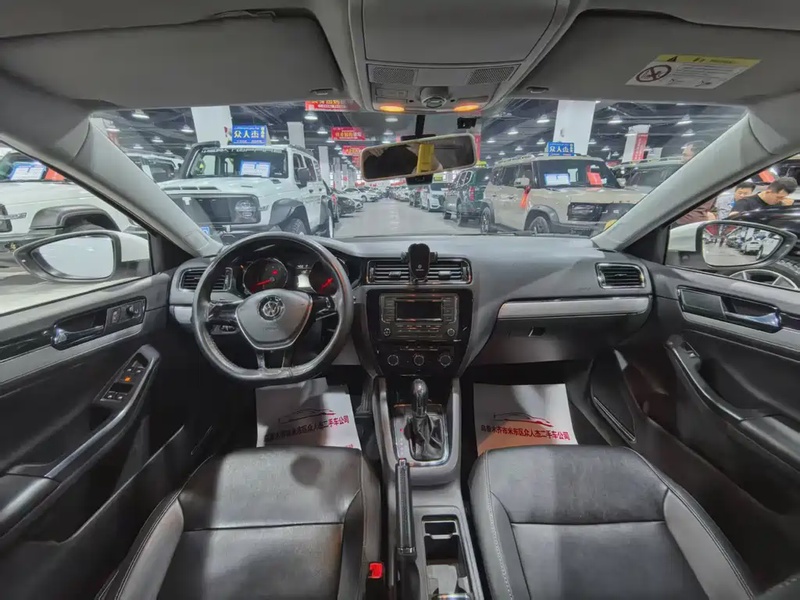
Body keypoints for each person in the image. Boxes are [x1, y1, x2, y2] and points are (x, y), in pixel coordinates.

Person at [729, 177, 798, 216]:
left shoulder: (780, 204)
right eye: (779, 197)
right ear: (768, 191)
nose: (781, 200)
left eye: (784, 197)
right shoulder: (745, 203)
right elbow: (732, 219)